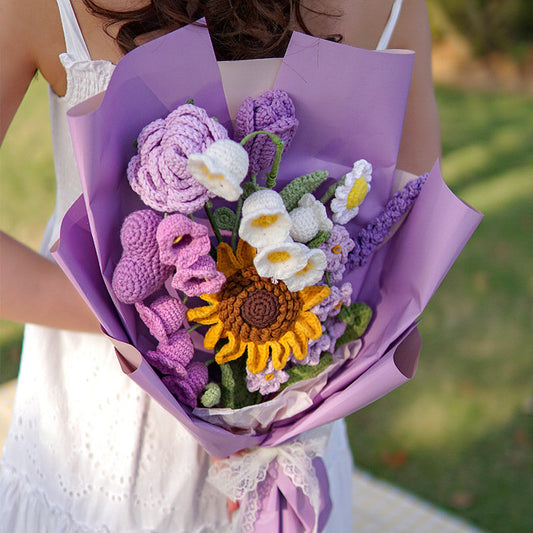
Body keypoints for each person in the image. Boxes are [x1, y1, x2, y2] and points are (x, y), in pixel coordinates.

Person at [0, 0, 441, 531]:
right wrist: (275, 375)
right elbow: (406, 216)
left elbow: (405, 214)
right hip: (280, 398)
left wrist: (149, 315)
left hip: (204, 415)